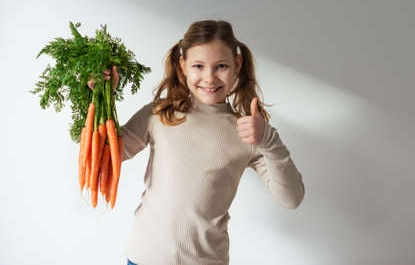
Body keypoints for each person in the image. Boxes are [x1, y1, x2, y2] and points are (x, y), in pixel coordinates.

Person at [89, 20, 305, 265]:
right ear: (183, 66)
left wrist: (268, 139)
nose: (209, 77)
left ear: (238, 64)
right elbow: (104, 156)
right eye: (198, 66)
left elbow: (292, 198)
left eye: (221, 66)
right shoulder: (160, 114)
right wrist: (102, 96)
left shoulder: (249, 133)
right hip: (144, 259)